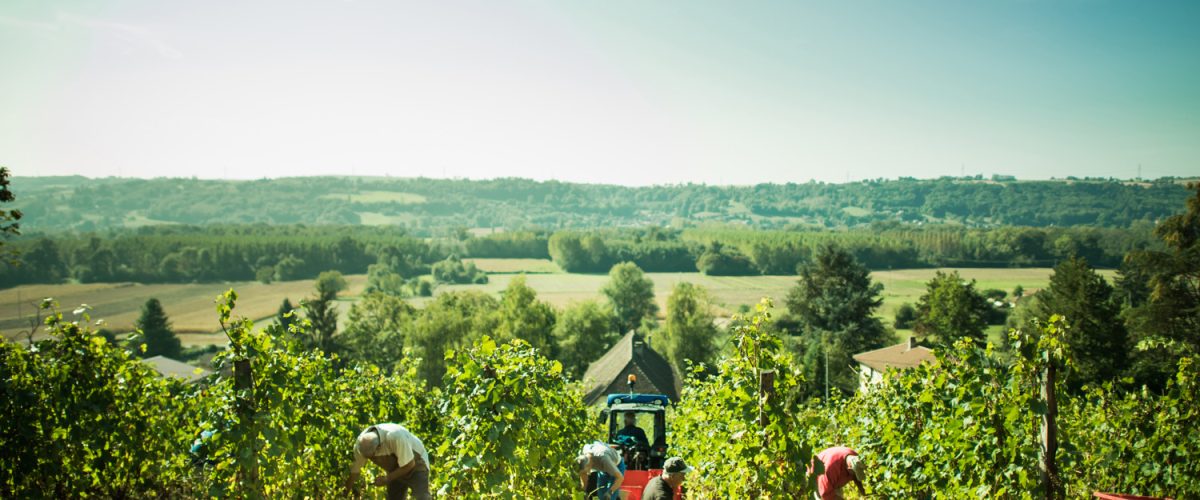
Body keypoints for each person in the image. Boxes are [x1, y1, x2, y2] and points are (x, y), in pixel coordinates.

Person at [345, 423, 432, 500]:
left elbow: (410, 464)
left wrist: (387, 479)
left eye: (371, 457)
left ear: (379, 447)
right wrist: (344, 494)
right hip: (394, 468)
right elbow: (354, 472)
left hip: (416, 463)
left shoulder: (395, 437)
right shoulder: (361, 445)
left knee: (422, 496)